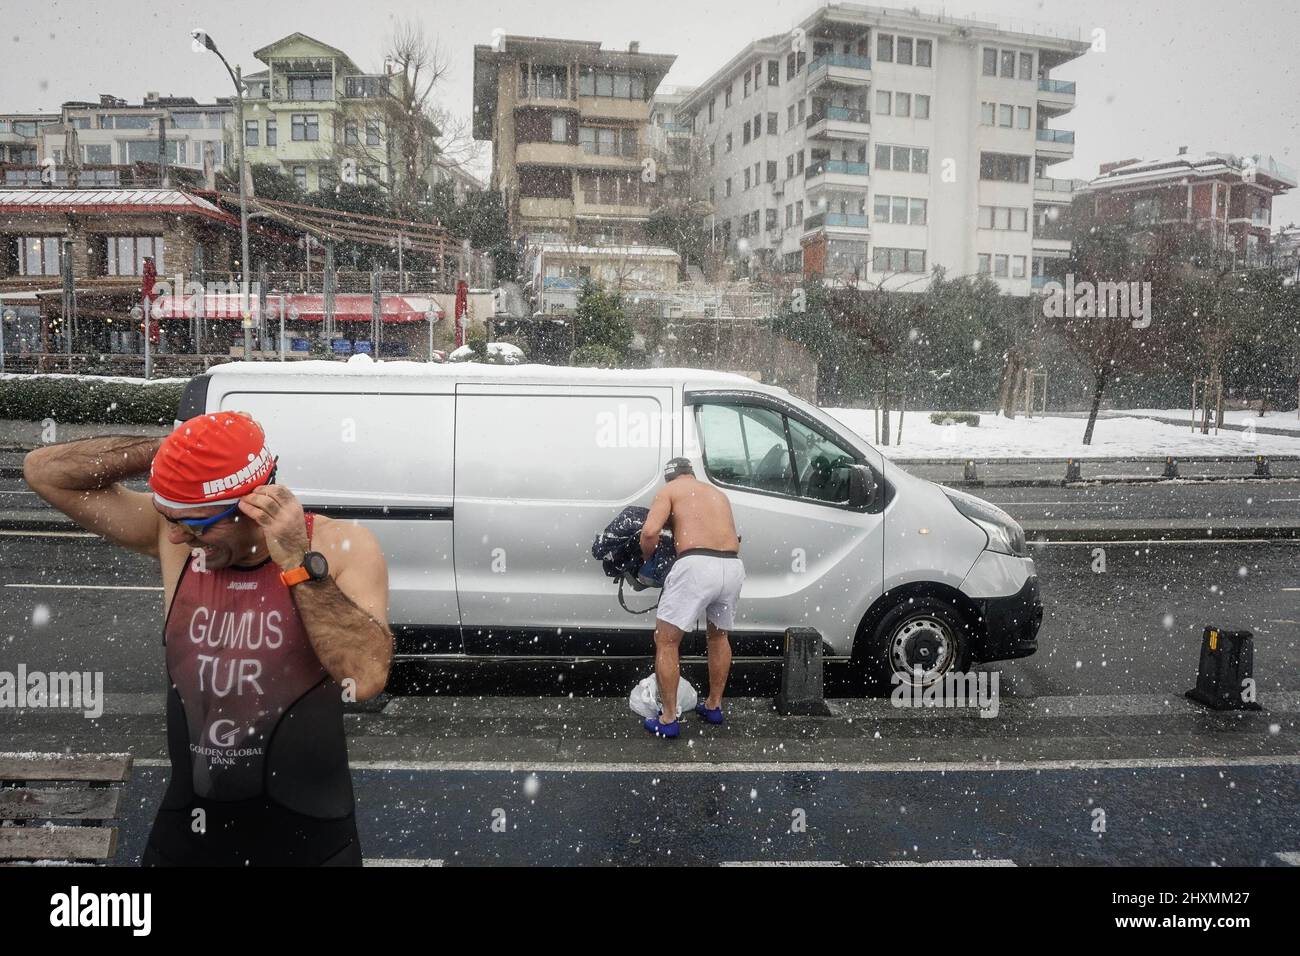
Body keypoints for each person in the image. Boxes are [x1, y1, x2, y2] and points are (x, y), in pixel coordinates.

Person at [23, 412, 392, 865]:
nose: (178, 535)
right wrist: (173, 451)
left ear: (252, 504)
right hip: (188, 835)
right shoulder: (175, 536)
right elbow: (43, 471)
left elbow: (366, 675)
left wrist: (297, 562)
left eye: (196, 524)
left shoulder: (338, 546)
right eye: (168, 516)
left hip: (307, 837)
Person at [639, 457, 744, 738]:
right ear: (692, 474)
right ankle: (713, 705)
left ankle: (669, 719)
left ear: (670, 478)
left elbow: (649, 532)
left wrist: (647, 561)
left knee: (666, 640)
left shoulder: (670, 491)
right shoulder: (717, 494)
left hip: (696, 564)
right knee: (718, 637)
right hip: (732, 565)